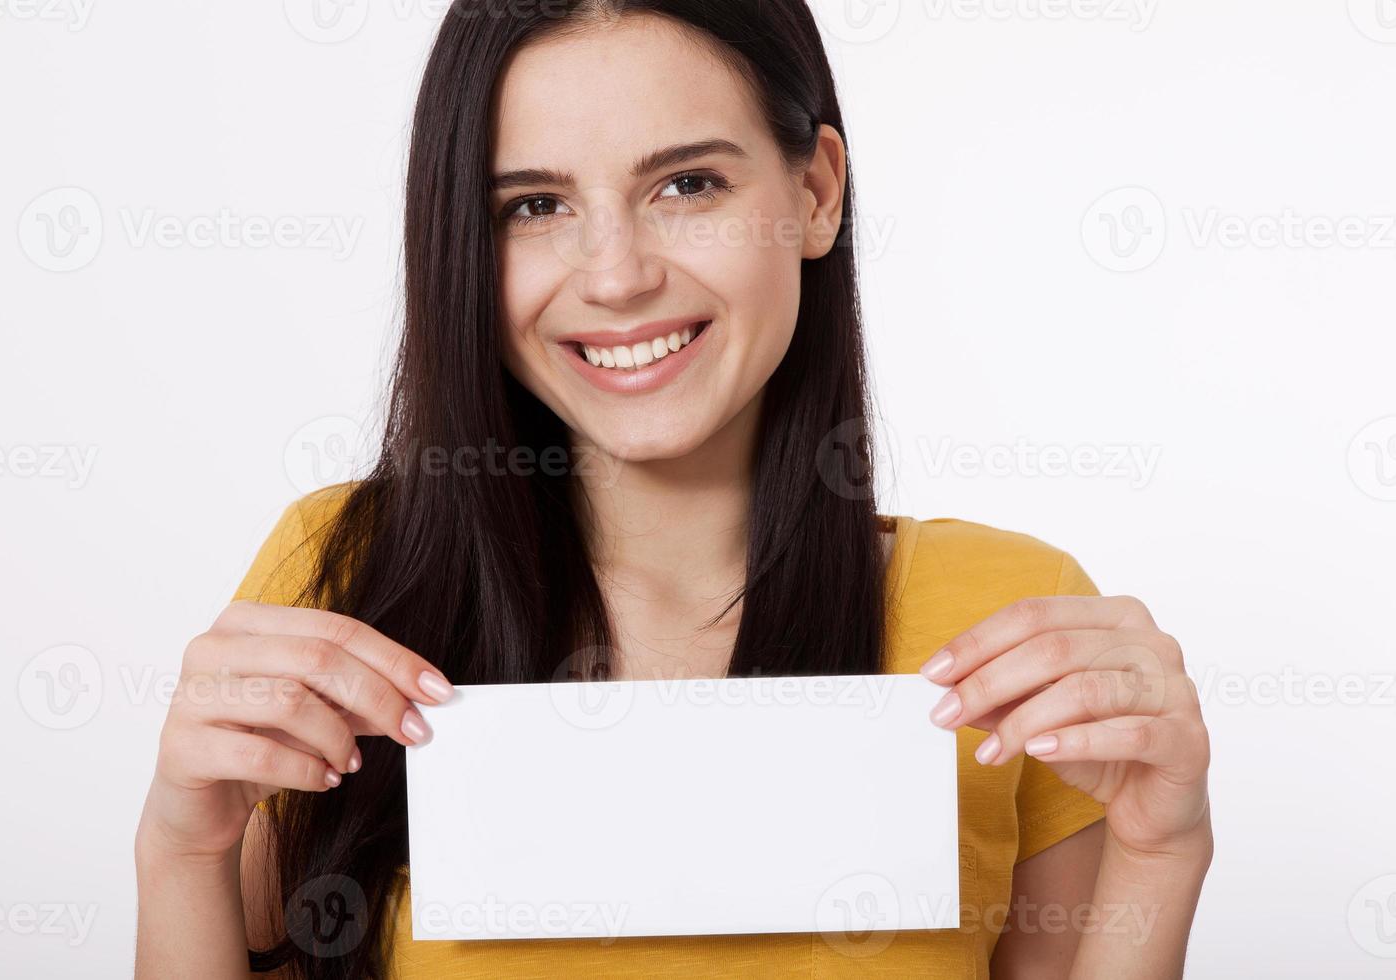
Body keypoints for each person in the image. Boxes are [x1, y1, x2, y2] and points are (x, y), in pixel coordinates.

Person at [134, 1, 1212, 976]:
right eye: (533, 204)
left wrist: (1160, 856)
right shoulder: (350, 567)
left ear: (815, 193)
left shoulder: (1004, 619)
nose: (616, 274)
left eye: (688, 184)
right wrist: (180, 846)